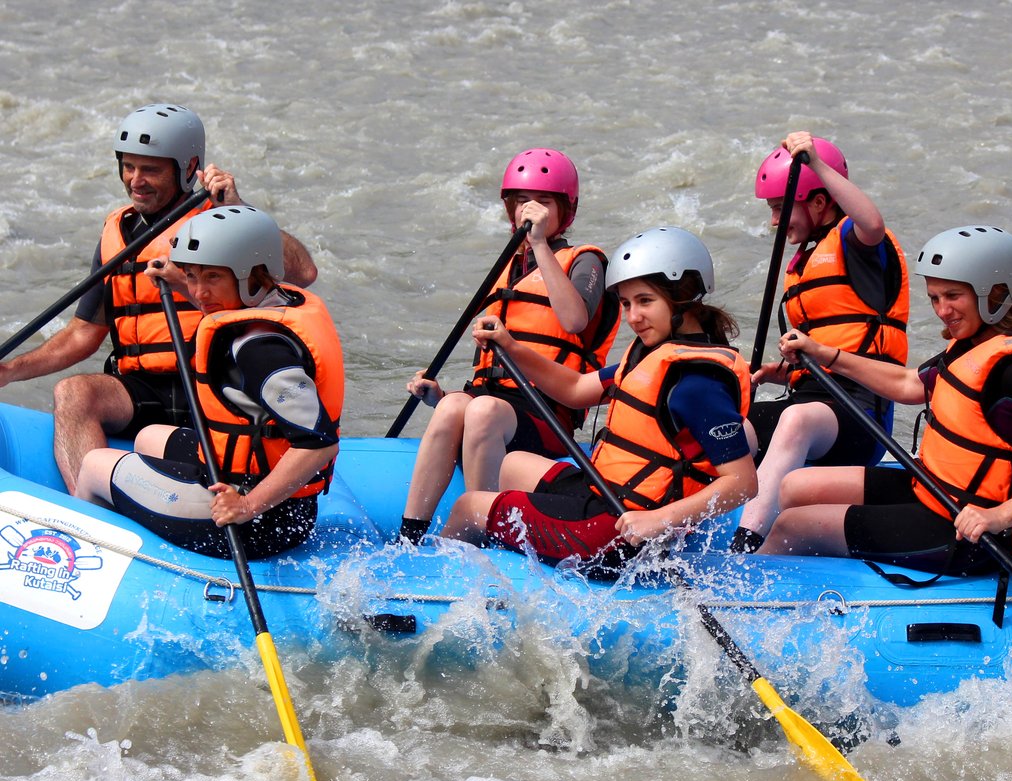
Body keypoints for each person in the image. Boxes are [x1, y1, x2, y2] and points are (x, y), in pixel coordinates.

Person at [0, 104, 318, 494]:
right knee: (74, 392)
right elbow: (84, 333)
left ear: (188, 169)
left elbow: (303, 274)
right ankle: (91, 511)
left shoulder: (225, 224)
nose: (136, 180)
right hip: (142, 389)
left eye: (151, 169)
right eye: (129, 166)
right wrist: (10, 370)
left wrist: (238, 208)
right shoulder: (117, 233)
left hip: (210, 390)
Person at [760, 226, 1012, 574]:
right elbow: (909, 384)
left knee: (792, 525)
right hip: (934, 490)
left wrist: (996, 516)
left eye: (953, 296)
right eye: (935, 298)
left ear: (996, 293)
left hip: (969, 533)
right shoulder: (974, 342)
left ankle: (742, 597)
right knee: (795, 487)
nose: (942, 310)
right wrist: (823, 353)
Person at [444, 226, 756, 569]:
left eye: (645, 301)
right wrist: (512, 347)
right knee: (514, 464)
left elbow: (742, 483)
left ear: (682, 294)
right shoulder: (655, 355)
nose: (633, 317)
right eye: (626, 304)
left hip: (622, 531)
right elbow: (576, 390)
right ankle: (499, 551)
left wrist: (659, 519)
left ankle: (441, 583)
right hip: (609, 497)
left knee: (467, 507)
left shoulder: (697, 382)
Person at [74, 205, 343, 561]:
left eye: (212, 277)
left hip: (258, 523)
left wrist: (246, 506)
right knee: (147, 437)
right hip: (269, 495)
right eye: (192, 275)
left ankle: (86, 563)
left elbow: (319, 444)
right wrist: (180, 281)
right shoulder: (282, 301)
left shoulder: (260, 351)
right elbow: (217, 297)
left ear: (253, 274)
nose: (199, 292)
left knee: (94, 465)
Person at [396, 148, 619, 545]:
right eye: (519, 204)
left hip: (546, 418)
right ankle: (408, 537)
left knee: (483, 411)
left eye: (542, 203)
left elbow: (573, 321)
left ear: (564, 211)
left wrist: (540, 247)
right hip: (496, 407)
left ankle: (485, 533)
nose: (528, 211)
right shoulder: (506, 270)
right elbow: (490, 372)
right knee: (453, 406)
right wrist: (440, 394)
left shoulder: (584, 262)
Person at [729, 130, 910, 553]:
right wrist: (784, 373)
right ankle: (671, 526)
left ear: (818, 201)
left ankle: (745, 545)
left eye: (779, 208)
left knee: (797, 420)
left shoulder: (856, 242)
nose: (774, 222)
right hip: (811, 400)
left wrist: (817, 165)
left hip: (860, 415)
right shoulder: (806, 260)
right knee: (733, 425)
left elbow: (872, 223)